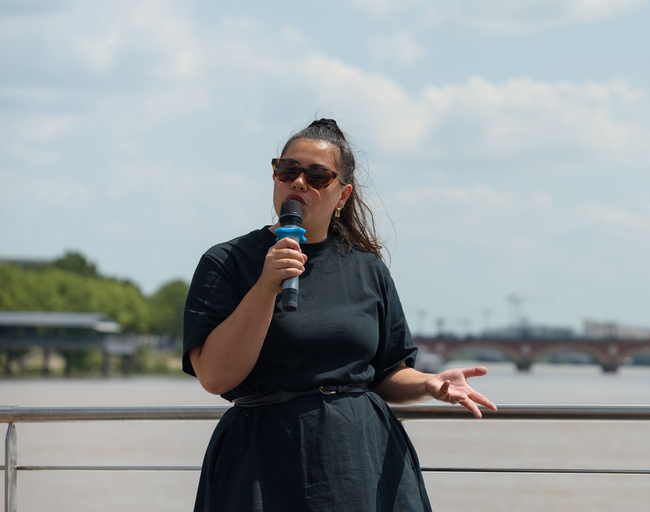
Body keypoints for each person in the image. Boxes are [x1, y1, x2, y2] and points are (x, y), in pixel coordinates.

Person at [182, 118, 497, 511]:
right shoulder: (227, 262)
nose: (299, 183)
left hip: (361, 461)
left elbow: (387, 373)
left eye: (317, 177)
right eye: (288, 170)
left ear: (343, 195)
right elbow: (215, 376)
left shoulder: (368, 269)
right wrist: (265, 287)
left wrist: (430, 383)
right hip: (261, 461)